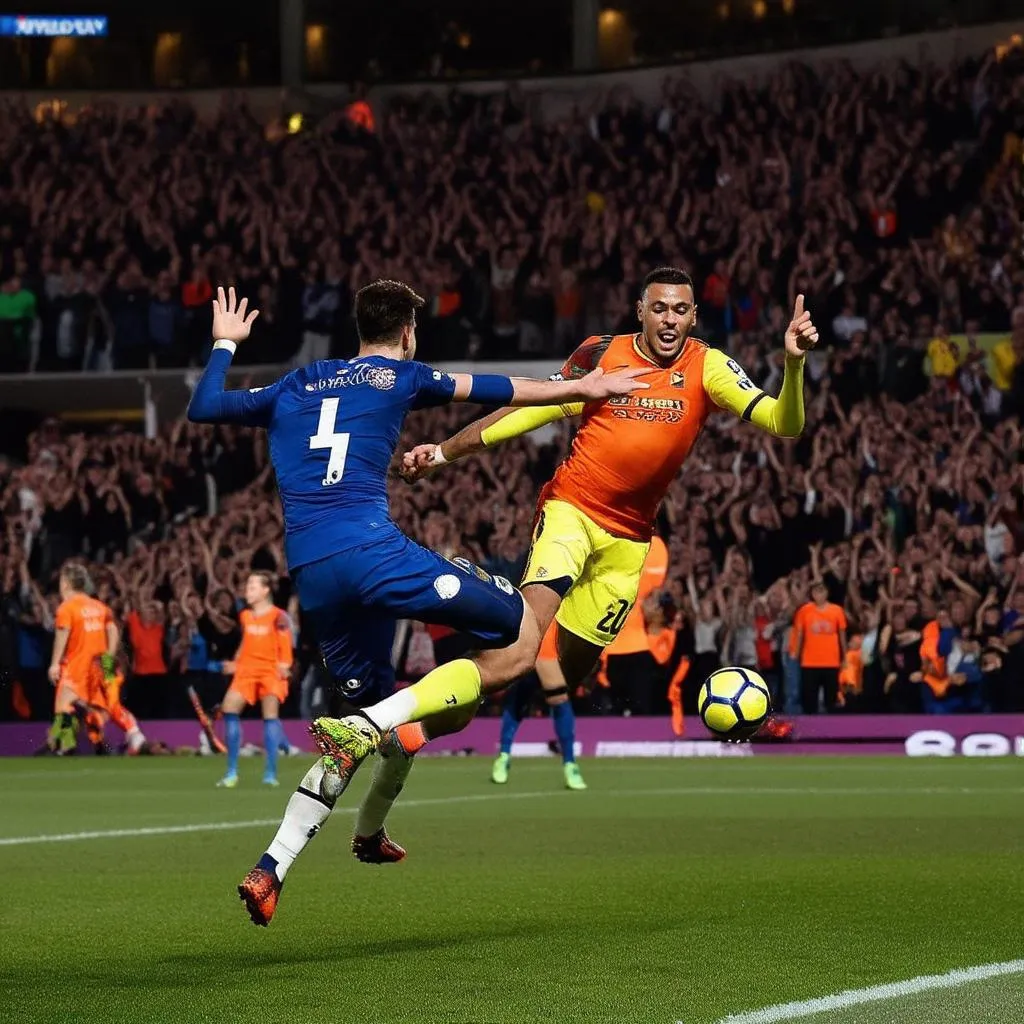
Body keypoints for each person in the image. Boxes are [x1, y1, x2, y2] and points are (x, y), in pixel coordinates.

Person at [186, 282, 647, 925]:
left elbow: (204, 405)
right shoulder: (399, 376)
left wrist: (225, 343)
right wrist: (586, 389)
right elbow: (504, 391)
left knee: (374, 728)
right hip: (374, 556)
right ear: (407, 332)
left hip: (313, 575)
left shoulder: (294, 385)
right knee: (518, 628)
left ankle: (281, 864)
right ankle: (379, 733)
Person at [339, 265, 817, 846]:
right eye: (659, 308)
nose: (670, 320)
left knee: (566, 676)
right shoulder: (600, 355)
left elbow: (784, 424)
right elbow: (528, 409)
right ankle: (401, 703)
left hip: (628, 542)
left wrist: (792, 364)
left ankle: (412, 730)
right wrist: (443, 452)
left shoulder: (707, 365)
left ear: (693, 318)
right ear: (640, 311)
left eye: (681, 311)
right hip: (571, 510)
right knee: (521, 645)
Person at [215, 572, 294, 789]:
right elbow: (245, 642)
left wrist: (285, 666)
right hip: (246, 671)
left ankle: (270, 773)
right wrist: (235, 662)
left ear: (265, 590)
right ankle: (231, 772)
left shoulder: (279, 616)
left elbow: (286, 647)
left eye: (252, 586)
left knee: (269, 715)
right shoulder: (246, 616)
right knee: (229, 708)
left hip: (270, 670)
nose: (247, 591)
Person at [490, 621, 586, 791]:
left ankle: (569, 764)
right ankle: (504, 757)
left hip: (540, 641)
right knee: (527, 699)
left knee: (551, 700)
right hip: (531, 640)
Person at [44, 564, 122, 756]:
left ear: (67, 583)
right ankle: (99, 744)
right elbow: (113, 630)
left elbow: (62, 636)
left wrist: (54, 664)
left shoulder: (67, 608)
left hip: (77, 664)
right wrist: (109, 658)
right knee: (90, 706)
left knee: (63, 705)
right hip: (98, 665)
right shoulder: (99, 606)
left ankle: (65, 746)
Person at [790, 580, 848, 713]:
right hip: (809, 662)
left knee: (831, 700)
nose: (819, 594)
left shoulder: (837, 610)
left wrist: (844, 657)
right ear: (812, 593)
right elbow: (799, 633)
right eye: (816, 591)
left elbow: (842, 635)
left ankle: (831, 730)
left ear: (827, 593)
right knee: (809, 700)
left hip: (831, 662)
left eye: (822, 590)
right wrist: (795, 653)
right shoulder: (804, 611)